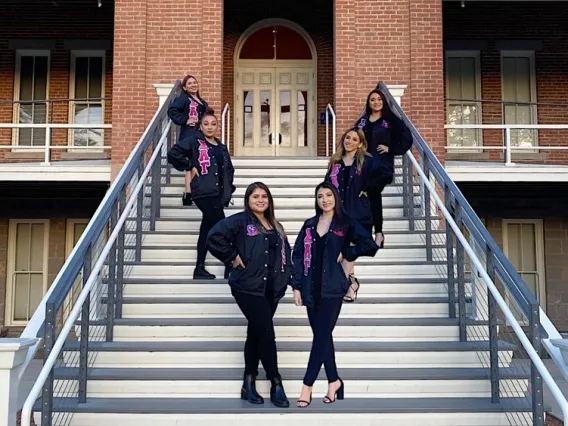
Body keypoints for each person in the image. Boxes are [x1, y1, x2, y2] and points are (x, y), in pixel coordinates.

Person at [291, 182, 378, 408]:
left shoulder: (345, 224)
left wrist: (347, 251)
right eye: (320, 196)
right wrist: (297, 286)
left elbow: (369, 245)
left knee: (320, 336)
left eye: (329, 195)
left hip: (332, 288)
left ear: (336, 197)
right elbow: (298, 255)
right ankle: (334, 381)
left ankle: (306, 386)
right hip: (311, 288)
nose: (325, 200)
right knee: (323, 336)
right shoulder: (309, 225)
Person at [207, 182, 292, 409]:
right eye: (256, 196)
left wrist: (290, 281)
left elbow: (286, 256)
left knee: (255, 333)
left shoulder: (276, 225)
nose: (261, 200)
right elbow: (214, 236)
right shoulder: (239, 221)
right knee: (266, 333)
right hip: (247, 287)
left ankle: (248, 382)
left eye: (264, 196)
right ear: (248, 200)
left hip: (271, 290)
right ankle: (276, 382)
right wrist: (232, 257)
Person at [325, 127, 382, 302]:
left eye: (354, 139)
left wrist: (379, 229)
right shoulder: (335, 161)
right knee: (341, 250)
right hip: (337, 214)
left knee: (349, 249)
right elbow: (326, 188)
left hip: (359, 214)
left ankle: (340, 286)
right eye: (347, 138)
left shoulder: (367, 162)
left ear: (361, 144)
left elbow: (375, 192)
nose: (349, 141)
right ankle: (352, 283)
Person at [355, 89, 412, 248]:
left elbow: (407, 138)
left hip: (383, 168)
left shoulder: (391, 120)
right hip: (366, 167)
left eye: (379, 99)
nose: (376, 102)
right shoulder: (363, 122)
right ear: (368, 102)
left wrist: (391, 148)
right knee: (371, 195)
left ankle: (375, 232)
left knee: (370, 191)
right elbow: (353, 138)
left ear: (384, 101)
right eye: (372, 100)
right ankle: (377, 234)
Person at [182, 111, 234, 280]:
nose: (210, 127)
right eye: (206, 124)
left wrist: (228, 190)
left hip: (217, 194)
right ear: (200, 126)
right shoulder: (195, 143)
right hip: (203, 193)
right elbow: (174, 154)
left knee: (206, 230)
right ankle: (230, 264)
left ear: (217, 126)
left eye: (213, 124)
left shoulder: (221, 147)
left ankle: (199, 268)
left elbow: (228, 170)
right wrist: (190, 165)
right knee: (224, 228)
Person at [168, 75, 210, 206]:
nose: (193, 85)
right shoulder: (184, 99)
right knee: (191, 165)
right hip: (190, 135)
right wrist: (185, 120)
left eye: (194, 82)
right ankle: (188, 194)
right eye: (190, 83)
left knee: (198, 163)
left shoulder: (202, 101)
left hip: (201, 135)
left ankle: (193, 191)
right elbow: (172, 110)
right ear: (185, 87)